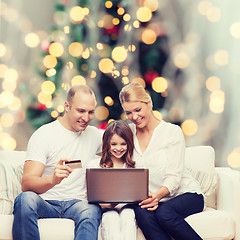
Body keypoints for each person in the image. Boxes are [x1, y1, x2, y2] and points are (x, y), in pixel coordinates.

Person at [12, 84, 103, 240]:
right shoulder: (44, 135)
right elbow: (27, 184)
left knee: (91, 210)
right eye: (81, 111)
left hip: (78, 203)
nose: (86, 118)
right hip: (46, 203)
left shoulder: (95, 135)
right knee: (24, 199)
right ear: (67, 106)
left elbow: (126, 141)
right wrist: (53, 179)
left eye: (90, 112)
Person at [119, 82, 204, 240]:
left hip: (185, 194)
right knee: (141, 212)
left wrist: (157, 196)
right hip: (152, 199)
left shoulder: (172, 132)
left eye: (138, 110)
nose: (134, 117)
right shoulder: (127, 133)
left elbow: (174, 176)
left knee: (164, 213)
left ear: (149, 102)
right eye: (128, 113)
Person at [88, 120, 137, 240]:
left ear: (129, 144)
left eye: (123, 144)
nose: (118, 148)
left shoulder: (134, 166)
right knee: (111, 218)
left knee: (128, 216)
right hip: (106, 208)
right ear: (106, 144)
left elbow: (138, 193)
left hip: (128, 207)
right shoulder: (95, 165)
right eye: (113, 144)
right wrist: (110, 204)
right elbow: (92, 196)